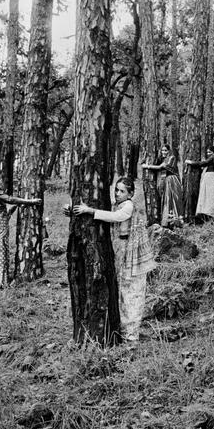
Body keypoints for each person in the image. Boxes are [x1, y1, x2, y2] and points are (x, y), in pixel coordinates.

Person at [67, 178, 157, 341]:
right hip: (120, 251)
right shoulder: (117, 205)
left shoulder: (128, 206)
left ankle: (131, 333)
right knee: (122, 290)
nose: (117, 193)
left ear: (130, 194)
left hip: (130, 254)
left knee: (131, 292)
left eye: (122, 191)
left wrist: (89, 211)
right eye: (116, 190)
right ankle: (123, 330)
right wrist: (72, 210)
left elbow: (116, 217)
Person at [0, 173, 41, 290]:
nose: (2, 183)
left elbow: (4, 210)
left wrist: (18, 204)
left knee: (1, 252)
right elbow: (10, 199)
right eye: (0, 181)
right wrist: (30, 201)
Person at [142, 144, 183, 228]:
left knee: (171, 199)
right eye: (162, 150)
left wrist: (147, 166)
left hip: (172, 180)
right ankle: (167, 220)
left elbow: (161, 167)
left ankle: (174, 221)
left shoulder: (172, 158)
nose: (163, 152)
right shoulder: (163, 159)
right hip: (167, 180)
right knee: (166, 200)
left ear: (169, 151)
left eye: (165, 150)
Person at [185, 145, 214, 223]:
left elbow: (203, 163)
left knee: (209, 195)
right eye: (207, 152)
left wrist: (191, 162)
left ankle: (208, 213)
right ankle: (204, 213)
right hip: (208, 177)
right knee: (205, 195)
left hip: (210, 177)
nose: (208, 154)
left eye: (210, 152)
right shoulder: (213, 158)